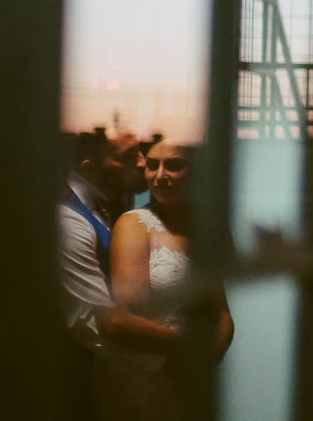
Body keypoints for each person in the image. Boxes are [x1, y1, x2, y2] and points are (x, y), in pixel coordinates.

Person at [99, 139, 233, 421]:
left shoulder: (205, 228)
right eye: (152, 165)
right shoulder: (135, 224)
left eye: (173, 165)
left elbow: (220, 309)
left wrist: (214, 351)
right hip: (147, 378)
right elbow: (121, 321)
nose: (160, 176)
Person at [59, 127, 173, 421]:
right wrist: (165, 358)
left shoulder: (107, 203)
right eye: (127, 157)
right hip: (80, 381)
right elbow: (92, 323)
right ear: (91, 170)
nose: (141, 161)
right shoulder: (69, 222)